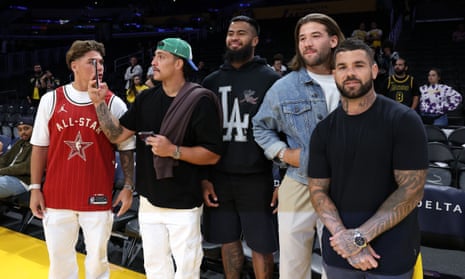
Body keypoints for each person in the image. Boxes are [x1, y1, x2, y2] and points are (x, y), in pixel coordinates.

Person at [88, 37, 223, 279]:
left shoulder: (201, 100)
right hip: (149, 201)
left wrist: (174, 151)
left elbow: (212, 155)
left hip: (184, 204)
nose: (153, 62)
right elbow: (117, 135)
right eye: (154, 56)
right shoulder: (146, 99)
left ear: (179, 63)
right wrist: (99, 103)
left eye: (161, 57)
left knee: (186, 271)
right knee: (155, 269)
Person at [308, 38, 428, 278]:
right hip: (339, 248)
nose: (350, 73)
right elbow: (317, 190)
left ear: (374, 70)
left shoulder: (403, 120)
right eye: (342, 67)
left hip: (392, 248)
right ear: (334, 74)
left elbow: (412, 190)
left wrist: (359, 237)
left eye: (359, 65)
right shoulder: (323, 130)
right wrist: (345, 239)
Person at [29, 39, 136, 279]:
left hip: (96, 196)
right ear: (74, 65)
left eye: (101, 63)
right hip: (57, 196)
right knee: (59, 263)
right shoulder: (51, 100)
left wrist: (128, 185)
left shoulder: (112, 102)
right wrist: (35, 188)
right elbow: (39, 147)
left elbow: (126, 146)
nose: (99, 67)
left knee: (98, 263)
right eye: (91, 62)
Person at [252, 13, 345, 279]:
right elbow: (260, 127)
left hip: (345, 186)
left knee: (338, 263)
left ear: (334, 39)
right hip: (298, 181)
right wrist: (281, 152)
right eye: (302, 38)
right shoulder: (284, 87)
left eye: (315, 36)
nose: (307, 43)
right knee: (293, 267)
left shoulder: (352, 80)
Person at [201, 15, 280, 279]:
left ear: (254, 40)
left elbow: (283, 133)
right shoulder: (211, 81)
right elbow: (202, 135)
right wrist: (205, 178)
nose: (234, 37)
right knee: (227, 239)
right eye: (231, 32)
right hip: (220, 176)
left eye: (242, 33)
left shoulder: (271, 79)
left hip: (258, 177)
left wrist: (280, 181)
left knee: (261, 245)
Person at [0, 116, 33, 198]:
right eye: (20, 130)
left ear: (34, 129)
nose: (23, 132)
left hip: (22, 181)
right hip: (7, 176)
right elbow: (4, 159)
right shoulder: (19, 142)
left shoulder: (37, 145)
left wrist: (1, 171)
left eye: (26, 128)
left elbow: (25, 167)